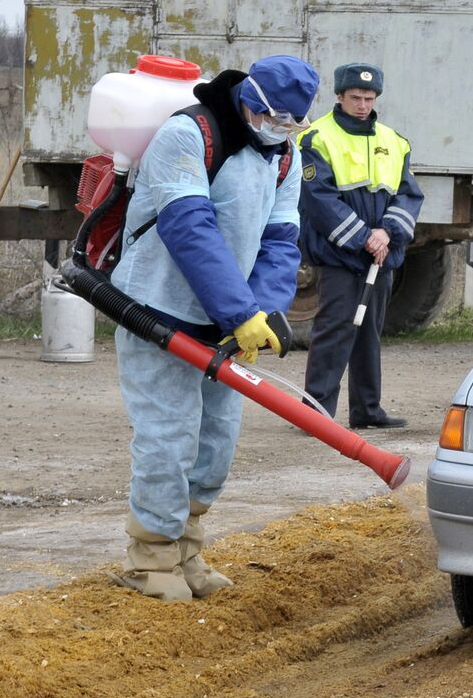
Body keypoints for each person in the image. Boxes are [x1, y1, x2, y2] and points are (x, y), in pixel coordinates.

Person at [110, 54, 321, 601]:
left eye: (292, 124)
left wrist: (265, 310)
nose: (280, 130)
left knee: (216, 443)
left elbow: (280, 237)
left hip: (228, 321)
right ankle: (150, 559)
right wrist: (240, 311)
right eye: (274, 118)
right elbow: (189, 226)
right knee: (168, 438)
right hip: (158, 308)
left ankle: (186, 550)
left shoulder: (283, 156)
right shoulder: (188, 134)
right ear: (250, 99)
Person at [298, 62, 424, 429]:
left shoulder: (394, 141)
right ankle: (315, 412)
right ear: (339, 96)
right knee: (335, 328)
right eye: (356, 97)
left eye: (369, 98)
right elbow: (318, 199)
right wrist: (363, 237)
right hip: (340, 253)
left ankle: (367, 411)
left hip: (380, 255)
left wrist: (387, 233)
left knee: (369, 331)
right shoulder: (317, 138)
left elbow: (409, 194)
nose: (363, 104)